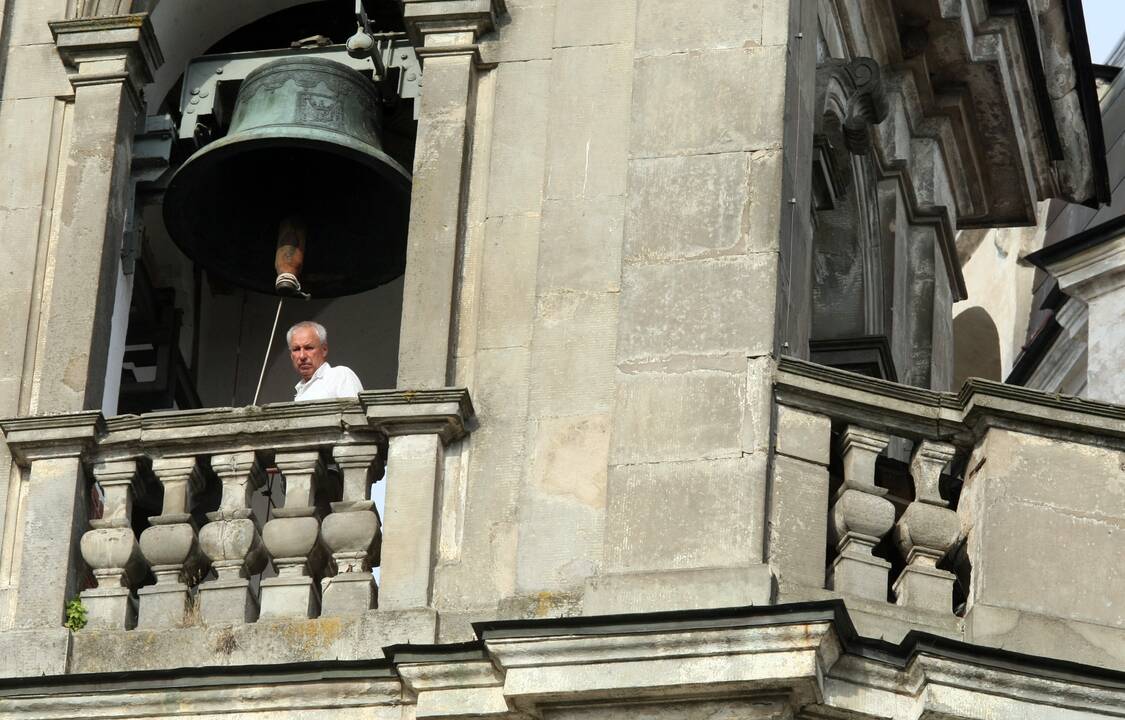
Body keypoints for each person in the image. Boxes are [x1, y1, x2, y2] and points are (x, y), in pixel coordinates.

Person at [288, 321, 363, 401]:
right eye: (296, 349)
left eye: (309, 348)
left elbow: (355, 412)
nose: (302, 356)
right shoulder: (300, 390)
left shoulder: (339, 376)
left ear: (324, 350)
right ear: (291, 355)